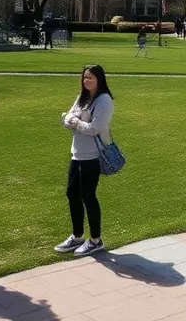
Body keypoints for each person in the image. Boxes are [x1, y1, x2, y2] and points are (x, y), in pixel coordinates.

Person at [54, 65, 114, 257]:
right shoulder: (82, 97)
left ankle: (96, 239)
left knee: (88, 196)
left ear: (99, 79)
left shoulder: (104, 100)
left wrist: (75, 122)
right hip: (77, 152)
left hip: (93, 155)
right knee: (72, 194)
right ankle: (77, 235)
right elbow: (66, 119)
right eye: (85, 77)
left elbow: (94, 128)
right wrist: (75, 121)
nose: (87, 80)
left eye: (91, 77)